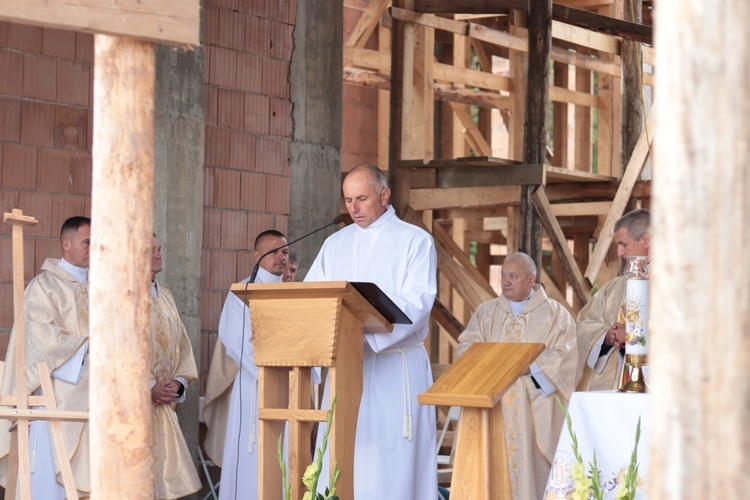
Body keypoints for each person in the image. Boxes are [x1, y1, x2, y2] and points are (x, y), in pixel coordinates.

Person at [305, 164, 438, 500]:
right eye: (348, 199)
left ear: (384, 195)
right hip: (346, 369)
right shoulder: (335, 244)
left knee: (389, 461)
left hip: (395, 366)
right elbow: (311, 297)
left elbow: (417, 302)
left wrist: (363, 336)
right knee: (345, 452)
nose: (354, 207)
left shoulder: (415, 240)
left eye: (362, 198)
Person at [456, 252, 578, 500]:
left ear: (531, 279)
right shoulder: (487, 312)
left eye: (513, 276)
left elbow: (566, 355)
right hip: (494, 404)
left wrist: (530, 368)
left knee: (528, 473)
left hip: (531, 410)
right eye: (503, 275)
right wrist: (496, 364)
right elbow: (466, 347)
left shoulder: (555, 314)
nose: (506, 281)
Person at [0, 216, 92, 497]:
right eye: (87, 242)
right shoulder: (44, 286)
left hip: (95, 395)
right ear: (66, 244)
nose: (95, 249)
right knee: (50, 484)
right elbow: (40, 339)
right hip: (55, 397)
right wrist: (91, 347)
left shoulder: (103, 288)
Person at [202, 230, 289, 500]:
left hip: (289, 381)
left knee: (283, 451)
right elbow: (235, 340)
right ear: (256, 255)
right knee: (251, 449)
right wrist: (272, 372)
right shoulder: (243, 292)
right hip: (255, 383)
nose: (281, 258)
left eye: (285, 252)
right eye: (274, 251)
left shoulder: (294, 292)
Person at [149, 235, 201, 499]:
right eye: (152, 250)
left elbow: (183, 346)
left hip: (163, 405)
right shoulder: (118, 298)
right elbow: (112, 349)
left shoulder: (166, 295)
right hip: (133, 409)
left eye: (159, 249)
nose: (159, 255)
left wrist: (178, 383)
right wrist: (147, 386)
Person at [575, 209, 650, 391]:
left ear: (646, 241)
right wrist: (606, 336)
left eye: (624, 245)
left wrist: (635, 332)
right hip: (610, 391)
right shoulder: (614, 288)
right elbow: (583, 323)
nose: (619, 253)